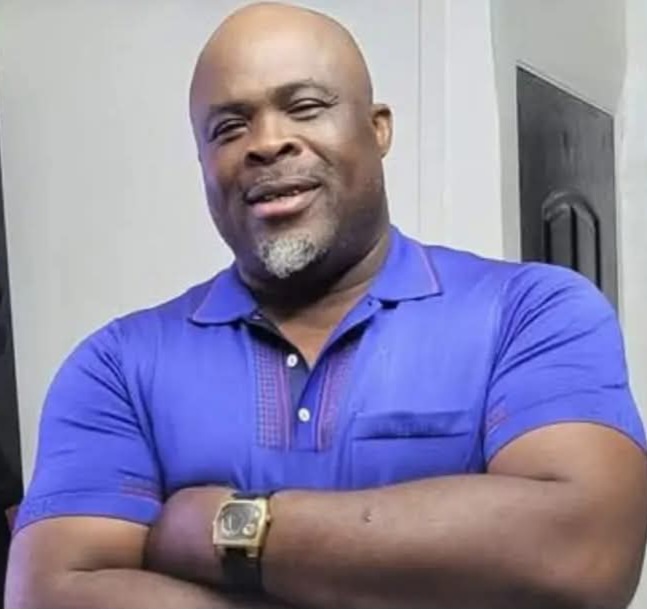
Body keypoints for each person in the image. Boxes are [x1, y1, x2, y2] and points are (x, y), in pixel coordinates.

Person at [6, 2, 647, 608]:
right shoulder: (118, 366)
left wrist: (223, 527)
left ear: (378, 128)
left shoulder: (531, 314)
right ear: (203, 161)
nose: (267, 142)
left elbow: (584, 552)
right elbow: (52, 593)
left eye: (305, 107)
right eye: (229, 127)